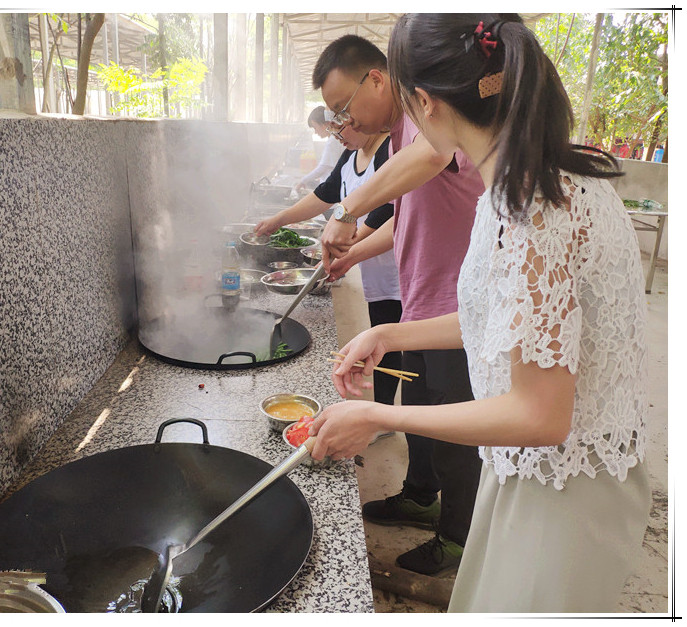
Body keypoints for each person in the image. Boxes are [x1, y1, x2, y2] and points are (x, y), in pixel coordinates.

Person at [310, 14, 651, 613]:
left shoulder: (534, 207)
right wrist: (390, 332)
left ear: (423, 103)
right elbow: (512, 325)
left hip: (565, 492)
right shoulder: (529, 183)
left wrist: (371, 415)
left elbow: (540, 413)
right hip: (536, 474)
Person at [311, 34, 485, 576]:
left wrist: (346, 207)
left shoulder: (431, 121)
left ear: (378, 78)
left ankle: (458, 537)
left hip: (459, 306)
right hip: (419, 300)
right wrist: (350, 255)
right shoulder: (397, 138)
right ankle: (417, 494)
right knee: (418, 414)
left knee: (456, 430)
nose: (345, 122)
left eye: (344, 107)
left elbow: (433, 158)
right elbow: (405, 222)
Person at [256, 126, 403, 409]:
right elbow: (325, 194)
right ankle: (382, 414)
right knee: (384, 343)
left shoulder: (390, 150)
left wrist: (345, 250)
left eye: (342, 118)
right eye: (333, 120)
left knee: (396, 349)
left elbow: (389, 209)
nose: (335, 132)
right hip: (376, 272)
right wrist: (278, 220)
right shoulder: (350, 155)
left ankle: (384, 415)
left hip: (401, 272)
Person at [294, 106, 344, 193]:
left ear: (325, 124)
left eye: (315, 127)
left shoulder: (333, 141)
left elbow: (323, 167)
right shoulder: (333, 139)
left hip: (331, 190)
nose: (316, 132)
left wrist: (303, 181)